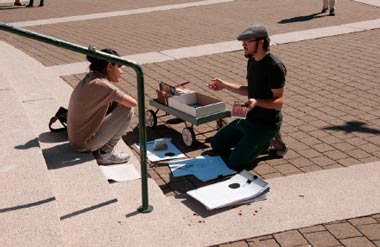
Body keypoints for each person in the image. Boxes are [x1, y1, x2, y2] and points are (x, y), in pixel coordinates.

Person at [207, 24, 287, 171]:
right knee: (216, 144)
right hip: (249, 119)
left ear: (261, 42)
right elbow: (251, 89)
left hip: (266, 125)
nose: (243, 44)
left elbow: (279, 101)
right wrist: (224, 85)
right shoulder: (252, 61)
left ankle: (268, 140)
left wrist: (256, 101)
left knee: (235, 162)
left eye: (247, 41)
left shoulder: (275, 67)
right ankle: (250, 142)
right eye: (243, 42)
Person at [67, 48, 137, 165]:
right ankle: (106, 153)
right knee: (127, 109)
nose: (121, 72)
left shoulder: (91, 78)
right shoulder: (102, 85)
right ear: (109, 67)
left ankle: (103, 148)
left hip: (76, 139)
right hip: (84, 144)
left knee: (116, 103)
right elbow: (132, 103)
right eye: (119, 67)